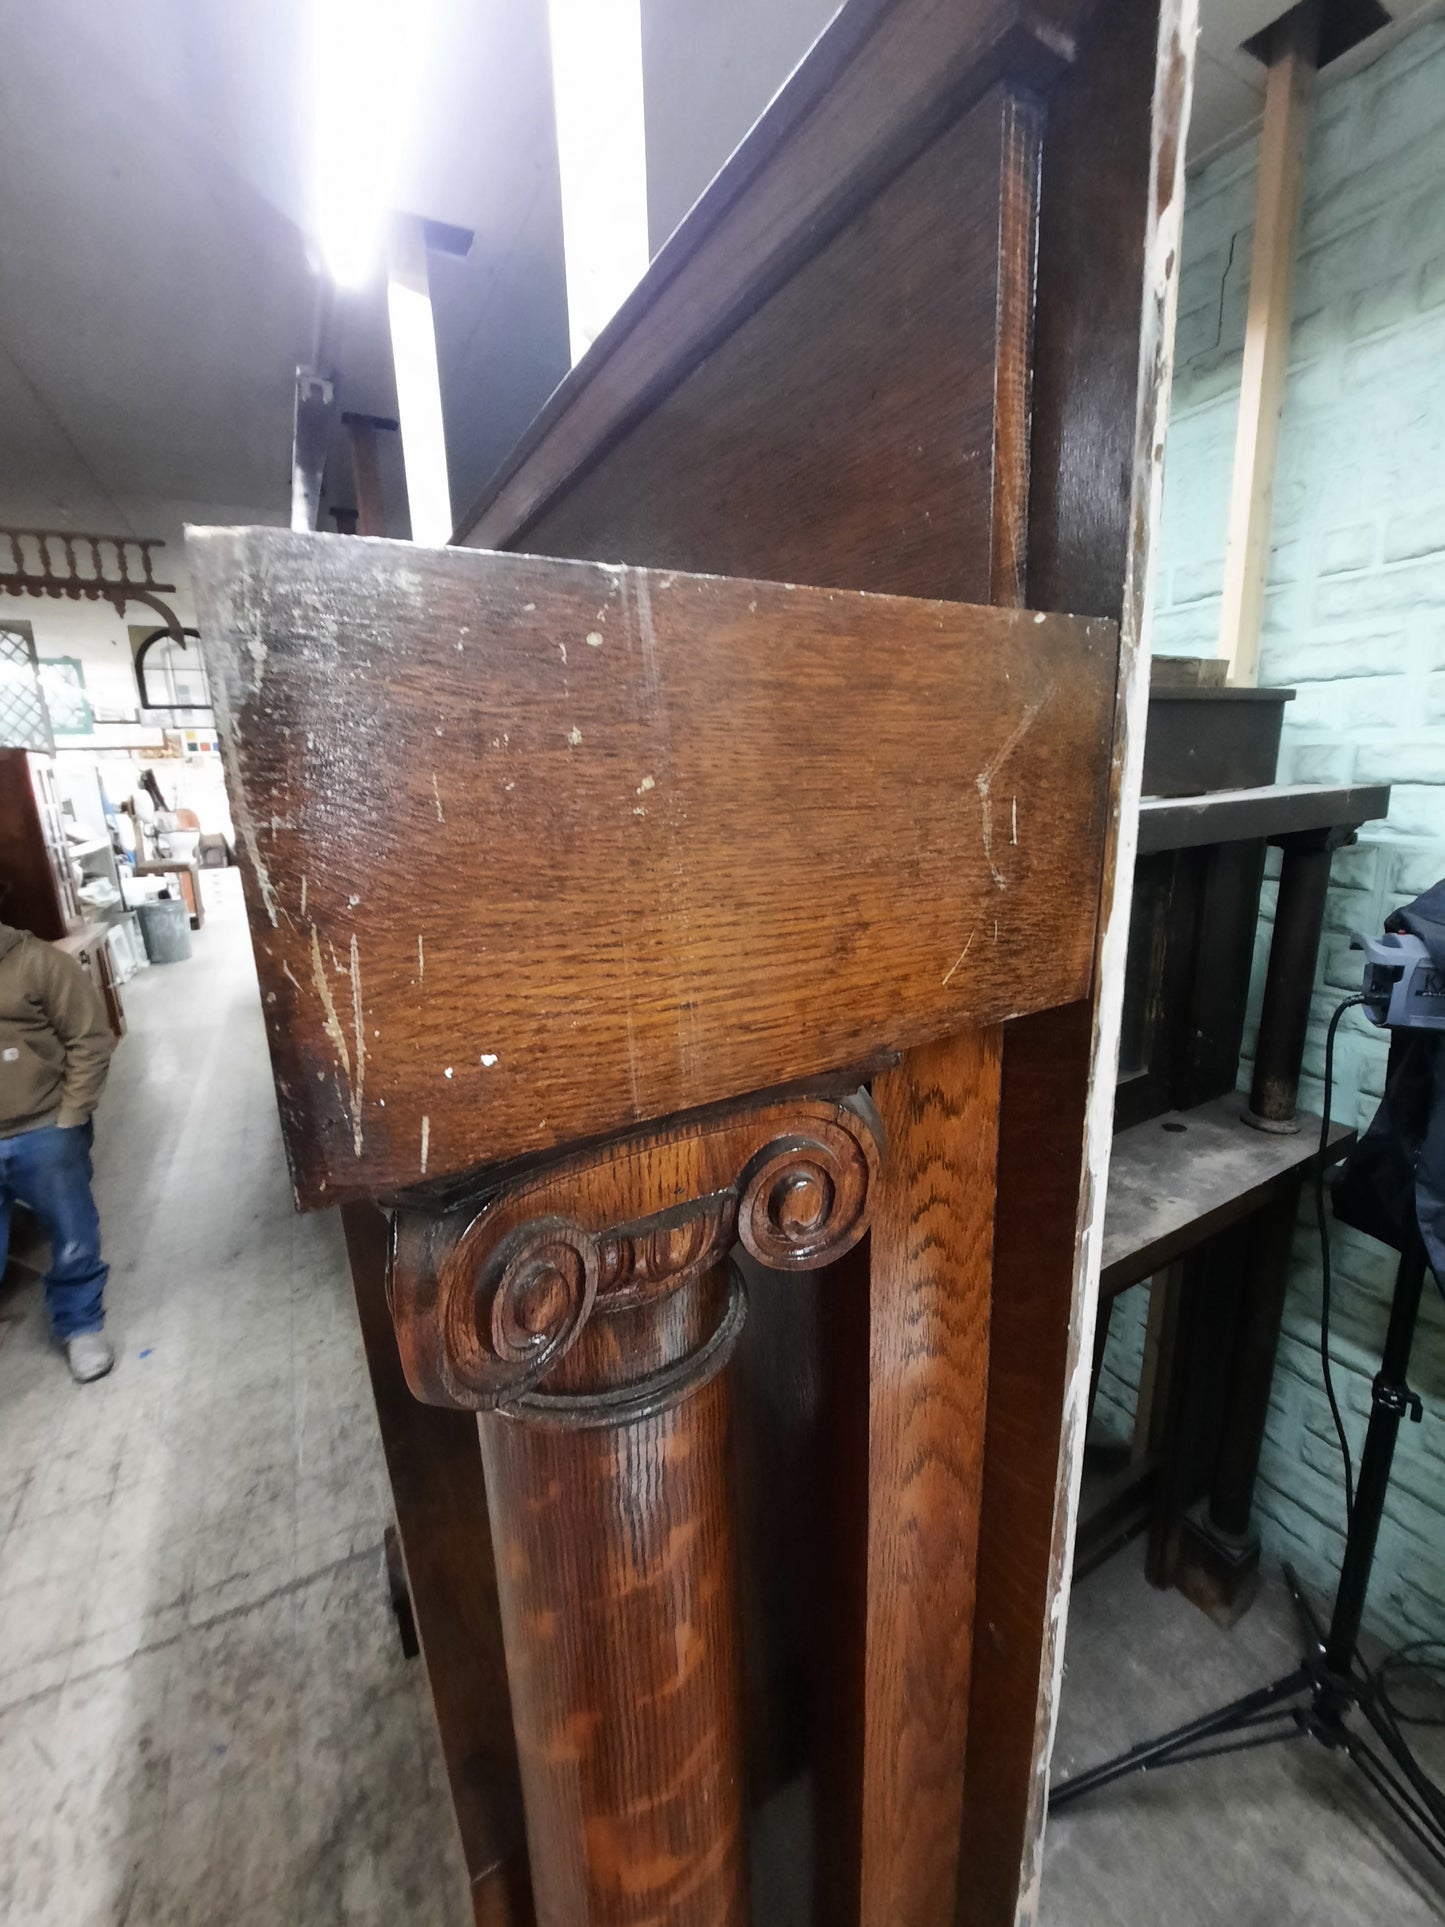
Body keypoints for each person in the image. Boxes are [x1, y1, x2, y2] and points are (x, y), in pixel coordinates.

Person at [0, 920, 116, 1381]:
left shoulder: (38, 961)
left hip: (43, 1128)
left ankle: (81, 1326)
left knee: (71, 1234)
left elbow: (89, 1038)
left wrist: (70, 1117)